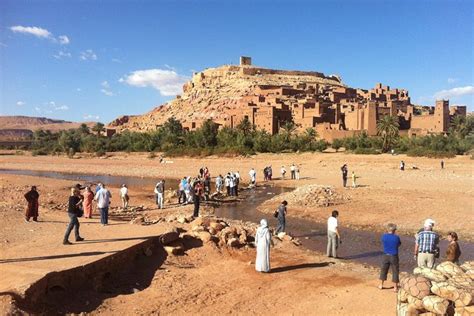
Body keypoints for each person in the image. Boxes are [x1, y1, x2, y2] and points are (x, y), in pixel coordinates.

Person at [379, 223, 401, 292]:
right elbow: (399, 244)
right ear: (394, 230)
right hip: (394, 255)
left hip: (386, 255)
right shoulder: (396, 237)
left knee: (384, 269)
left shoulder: (384, 236)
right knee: (395, 271)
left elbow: (382, 242)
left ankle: (381, 285)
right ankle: (395, 287)